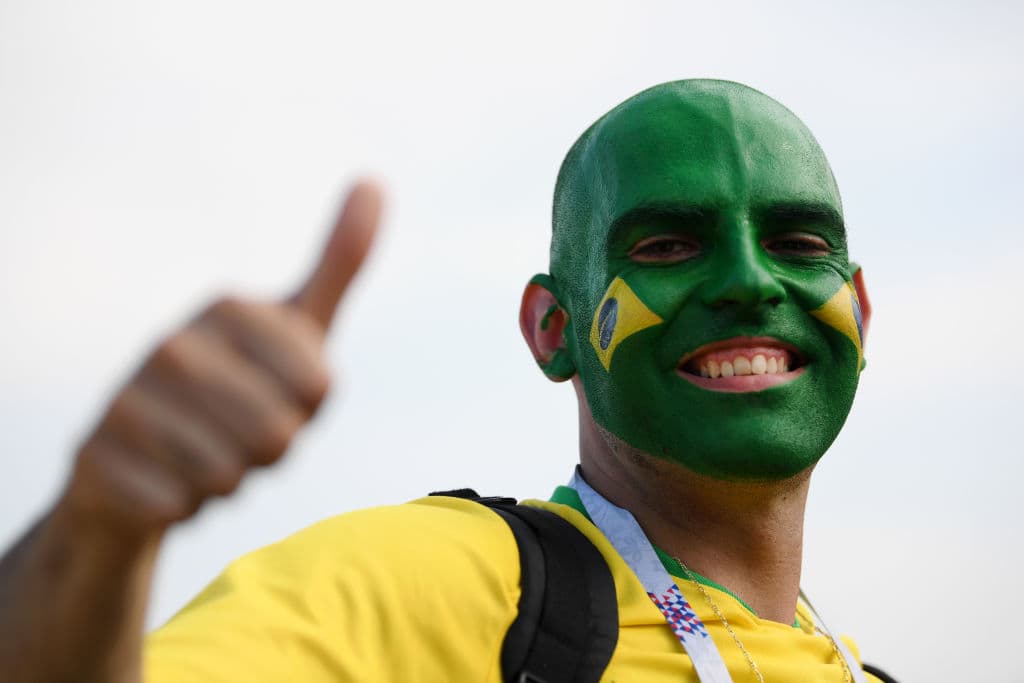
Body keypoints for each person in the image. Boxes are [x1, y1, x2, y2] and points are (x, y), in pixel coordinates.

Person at [0, 79, 881, 682]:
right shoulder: (441, 582)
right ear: (552, 329)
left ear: (861, 312)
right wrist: (98, 532)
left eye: (800, 244)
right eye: (666, 245)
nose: (748, 281)